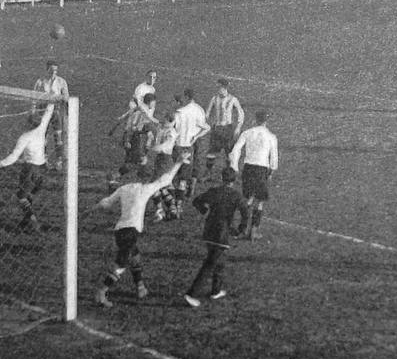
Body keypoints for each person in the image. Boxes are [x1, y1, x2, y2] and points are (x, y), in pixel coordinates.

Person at [93, 153, 187, 306]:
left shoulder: (125, 188)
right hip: (131, 232)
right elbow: (167, 179)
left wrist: (89, 211)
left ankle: (140, 287)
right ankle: (101, 292)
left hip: (120, 231)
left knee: (135, 257)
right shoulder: (146, 189)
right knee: (121, 264)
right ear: (148, 178)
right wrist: (179, 162)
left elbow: (106, 203)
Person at [183, 167, 250, 308]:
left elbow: (197, 201)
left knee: (219, 260)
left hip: (209, 230)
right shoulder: (236, 195)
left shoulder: (214, 191)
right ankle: (192, 294)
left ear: (221, 178)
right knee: (211, 263)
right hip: (222, 233)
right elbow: (245, 212)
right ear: (234, 180)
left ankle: (216, 290)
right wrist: (241, 229)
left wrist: (204, 210)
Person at [0, 105, 56, 233]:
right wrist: (52, 101)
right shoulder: (41, 128)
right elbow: (48, 114)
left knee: (21, 197)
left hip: (30, 169)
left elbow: (14, 157)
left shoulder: (25, 137)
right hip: (42, 169)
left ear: (28, 123)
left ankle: (34, 223)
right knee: (30, 195)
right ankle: (25, 222)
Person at [229, 110, 278, 240]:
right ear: (266, 121)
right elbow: (274, 156)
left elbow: (235, 150)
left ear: (255, 120)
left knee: (247, 199)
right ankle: (254, 231)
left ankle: (242, 228)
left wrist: (235, 166)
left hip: (248, 168)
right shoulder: (271, 136)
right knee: (259, 201)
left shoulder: (247, 133)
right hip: (262, 169)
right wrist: (272, 171)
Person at [170, 87, 210, 208]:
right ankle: (179, 205)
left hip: (177, 147)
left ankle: (171, 205)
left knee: (173, 175)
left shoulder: (179, 112)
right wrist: (196, 137)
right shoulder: (198, 110)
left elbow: (171, 127)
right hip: (189, 148)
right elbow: (207, 127)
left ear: (186, 97)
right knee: (184, 178)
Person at [205, 79, 245, 180]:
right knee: (211, 152)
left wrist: (238, 128)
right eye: (218, 88)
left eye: (220, 88)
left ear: (224, 88)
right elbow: (207, 113)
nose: (218, 90)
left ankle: (229, 175)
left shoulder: (232, 99)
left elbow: (241, 113)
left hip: (228, 129)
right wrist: (206, 123)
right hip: (217, 129)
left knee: (229, 152)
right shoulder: (214, 99)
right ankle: (208, 174)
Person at [33, 61, 69, 170]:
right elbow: (34, 97)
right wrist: (33, 110)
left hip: (56, 111)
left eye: (56, 70)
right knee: (42, 137)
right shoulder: (40, 82)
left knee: (58, 137)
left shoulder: (61, 81)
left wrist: (59, 98)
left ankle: (59, 161)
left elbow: (66, 96)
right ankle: (43, 161)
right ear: (47, 69)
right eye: (51, 70)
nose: (54, 72)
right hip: (43, 111)